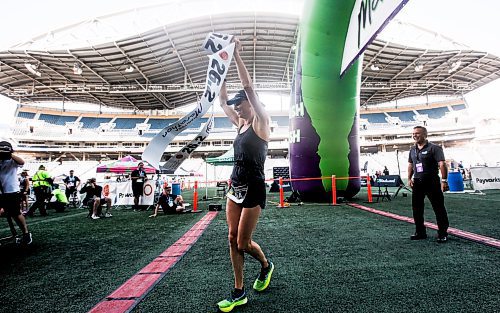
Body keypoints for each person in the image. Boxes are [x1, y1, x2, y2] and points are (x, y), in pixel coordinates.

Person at [216, 37, 274, 312]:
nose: (238, 108)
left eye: (241, 104)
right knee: (230, 237)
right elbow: (221, 99)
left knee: (243, 241)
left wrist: (237, 55)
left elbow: (249, 88)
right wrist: (221, 64)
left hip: (254, 185)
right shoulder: (239, 123)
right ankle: (239, 291)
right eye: (237, 106)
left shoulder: (262, 121)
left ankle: (265, 265)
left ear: (252, 104)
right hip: (235, 184)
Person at [408, 126, 450, 243]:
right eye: (413, 133)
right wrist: (409, 178)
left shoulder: (435, 148)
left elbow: (442, 164)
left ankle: (442, 233)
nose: (415, 135)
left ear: (425, 135)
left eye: (417, 133)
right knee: (416, 209)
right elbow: (411, 164)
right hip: (417, 183)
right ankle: (420, 232)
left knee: (438, 208)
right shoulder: (412, 149)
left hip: (432, 182)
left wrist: (444, 181)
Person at [0, 141, 32, 244]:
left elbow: (22, 162)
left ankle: (26, 233)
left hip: (11, 191)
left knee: (16, 214)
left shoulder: (12, 161)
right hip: (1, 192)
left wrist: (9, 153)